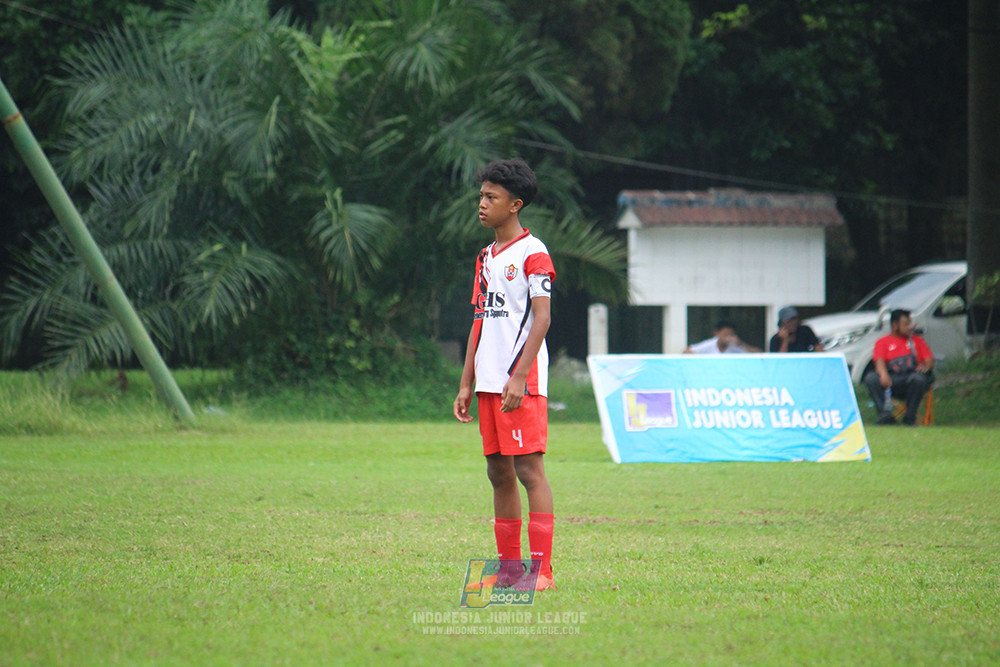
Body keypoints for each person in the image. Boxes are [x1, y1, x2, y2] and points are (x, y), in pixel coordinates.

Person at [453, 158, 556, 591]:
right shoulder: (485, 257)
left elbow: (542, 319)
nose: (482, 203)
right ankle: (511, 571)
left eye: (490, 197)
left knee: (529, 470)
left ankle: (542, 572)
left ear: (514, 205)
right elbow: (480, 317)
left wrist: (520, 376)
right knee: (498, 473)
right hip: (489, 380)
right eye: (481, 195)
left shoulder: (534, 253)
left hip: (520, 381)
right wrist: (465, 381)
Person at [863, 309, 935, 425]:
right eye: (906, 324)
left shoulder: (917, 341)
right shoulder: (883, 342)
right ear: (894, 325)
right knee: (871, 378)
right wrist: (883, 374)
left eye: (910, 323)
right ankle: (885, 416)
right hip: (891, 380)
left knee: (918, 379)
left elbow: (929, 361)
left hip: (911, 381)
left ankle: (910, 418)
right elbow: (879, 361)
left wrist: (925, 367)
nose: (910, 327)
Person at [684, 320, 761, 354]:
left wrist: (740, 344)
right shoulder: (710, 344)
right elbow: (687, 352)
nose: (728, 337)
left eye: (731, 334)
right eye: (725, 334)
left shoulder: (735, 346)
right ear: (717, 333)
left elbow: (759, 353)